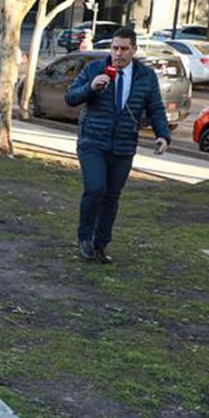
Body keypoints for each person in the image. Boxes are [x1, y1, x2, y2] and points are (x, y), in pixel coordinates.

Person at [64, 27, 170, 263]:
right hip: (92, 142)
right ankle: (85, 239)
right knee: (95, 189)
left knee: (112, 196)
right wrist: (91, 87)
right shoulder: (95, 69)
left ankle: (101, 244)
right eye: (114, 48)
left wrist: (162, 135)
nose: (118, 54)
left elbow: (155, 108)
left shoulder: (146, 75)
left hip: (123, 145)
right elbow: (71, 98)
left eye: (123, 49)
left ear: (133, 49)